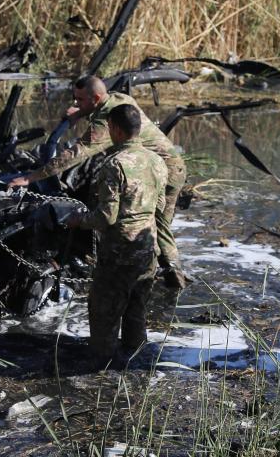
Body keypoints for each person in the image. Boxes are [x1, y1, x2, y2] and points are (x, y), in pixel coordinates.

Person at [8, 75, 189, 289]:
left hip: (161, 171)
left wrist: (30, 177)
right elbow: (100, 112)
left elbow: (74, 154)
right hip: (157, 167)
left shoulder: (106, 122)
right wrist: (82, 112)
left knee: (153, 223)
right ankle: (163, 278)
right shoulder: (118, 98)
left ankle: (164, 279)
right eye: (74, 100)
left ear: (95, 98)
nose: (76, 104)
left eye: (80, 100)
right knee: (155, 224)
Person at [64, 104, 167, 366]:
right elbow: (161, 206)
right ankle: (136, 359)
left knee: (104, 310)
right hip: (147, 248)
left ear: (116, 130)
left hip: (118, 252)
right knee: (137, 307)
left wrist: (78, 221)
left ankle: (101, 363)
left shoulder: (115, 164)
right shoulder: (157, 160)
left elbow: (106, 217)